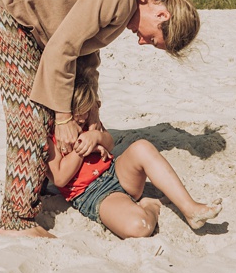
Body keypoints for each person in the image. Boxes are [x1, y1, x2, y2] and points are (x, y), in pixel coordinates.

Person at [0, 0, 200, 237]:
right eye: (153, 40)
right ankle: (15, 221)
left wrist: (92, 111)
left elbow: (84, 54)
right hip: (0, 7)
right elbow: (62, 49)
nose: (143, 43)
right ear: (162, 15)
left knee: (52, 102)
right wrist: (64, 118)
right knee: (32, 112)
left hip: (26, 20)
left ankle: (38, 181)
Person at [51, 64, 221, 238]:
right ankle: (151, 206)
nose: (82, 122)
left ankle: (190, 208)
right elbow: (60, 178)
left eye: (85, 117)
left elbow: (109, 144)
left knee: (142, 147)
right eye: (77, 119)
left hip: (116, 172)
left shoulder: (87, 120)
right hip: (93, 193)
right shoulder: (50, 135)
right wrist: (81, 149)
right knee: (140, 227)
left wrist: (96, 136)